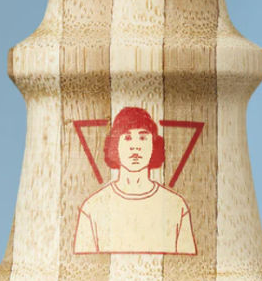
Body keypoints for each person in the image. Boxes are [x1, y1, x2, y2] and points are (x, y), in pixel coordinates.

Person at [75, 108, 197, 255]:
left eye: (143, 138)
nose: (135, 146)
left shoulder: (176, 206)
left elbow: (187, 263)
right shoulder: (92, 207)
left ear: (154, 145)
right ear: (115, 145)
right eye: (127, 138)